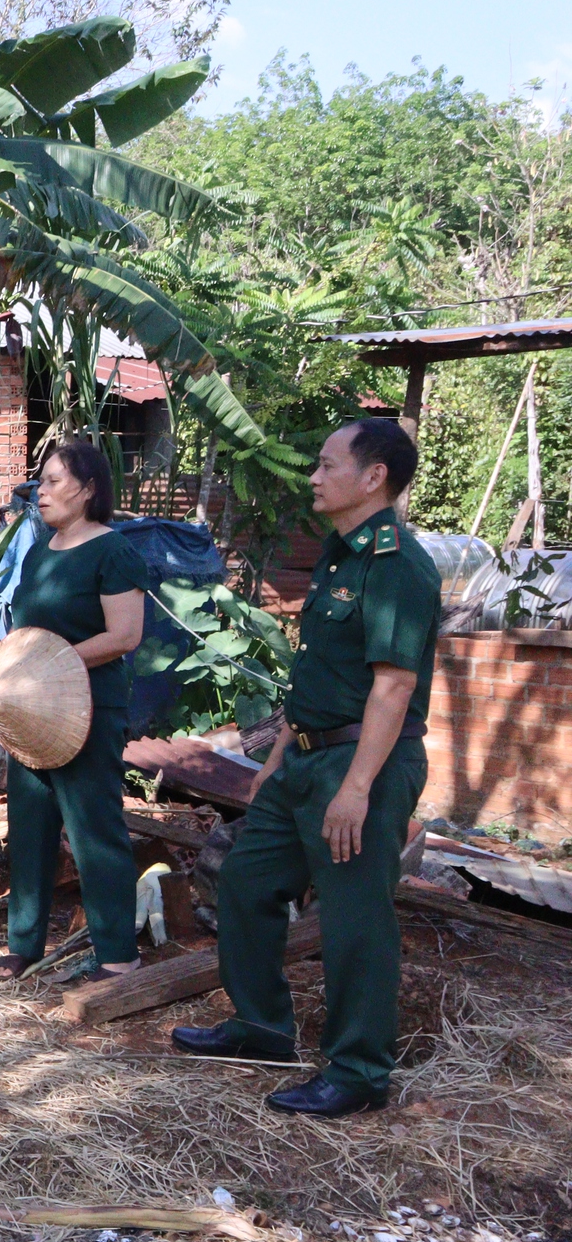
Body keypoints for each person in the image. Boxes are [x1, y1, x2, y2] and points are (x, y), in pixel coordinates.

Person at [173, 419, 439, 1118]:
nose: (314, 476)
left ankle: (358, 1070)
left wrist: (356, 788)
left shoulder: (397, 564)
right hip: (306, 758)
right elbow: (317, 675)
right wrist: (279, 756)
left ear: (374, 476)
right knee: (246, 880)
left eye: (327, 465)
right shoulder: (340, 555)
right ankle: (262, 1027)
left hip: (364, 764)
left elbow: (393, 687)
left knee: (355, 917)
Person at [0, 441, 148, 985]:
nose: (42, 490)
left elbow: (125, 634)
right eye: (42, 479)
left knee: (93, 829)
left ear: (88, 489)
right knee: (30, 826)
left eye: (55, 480)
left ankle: (116, 954)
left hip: (87, 708)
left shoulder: (113, 551)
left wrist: (53, 662)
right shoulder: (40, 550)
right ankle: (23, 943)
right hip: (31, 712)